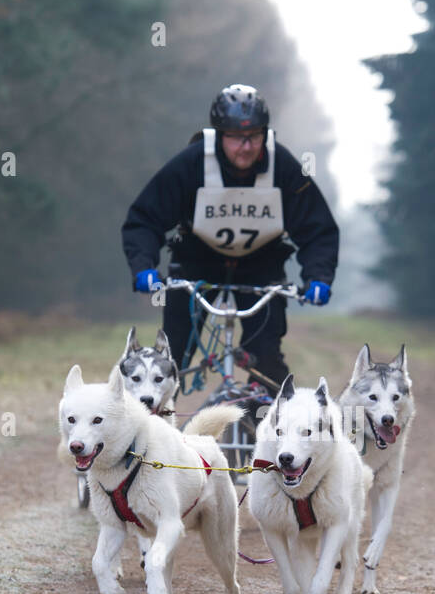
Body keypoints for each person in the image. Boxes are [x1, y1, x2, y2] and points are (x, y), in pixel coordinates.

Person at [121, 84, 339, 405]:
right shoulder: (192, 163)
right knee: (172, 357)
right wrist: (143, 266)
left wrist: (318, 277)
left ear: (265, 133)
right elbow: (145, 219)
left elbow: (317, 228)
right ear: (219, 135)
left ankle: (268, 438)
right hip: (196, 263)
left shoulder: (284, 168)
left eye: (254, 136)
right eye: (236, 137)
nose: (247, 147)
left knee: (267, 360)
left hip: (260, 267)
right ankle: (155, 438)